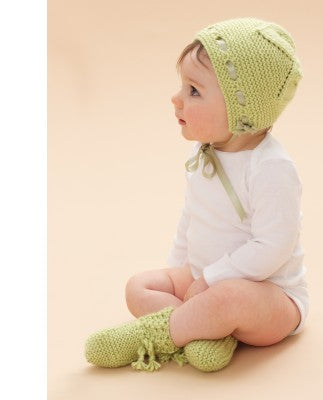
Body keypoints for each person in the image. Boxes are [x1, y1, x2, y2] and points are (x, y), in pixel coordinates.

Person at [85, 17, 309, 373]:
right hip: (204, 280)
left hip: (268, 295)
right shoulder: (203, 154)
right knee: (138, 287)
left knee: (230, 297)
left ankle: (153, 336)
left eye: (194, 91)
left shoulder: (271, 168)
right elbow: (193, 215)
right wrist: (180, 269)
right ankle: (205, 332)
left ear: (242, 111)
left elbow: (273, 247)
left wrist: (211, 279)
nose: (176, 99)